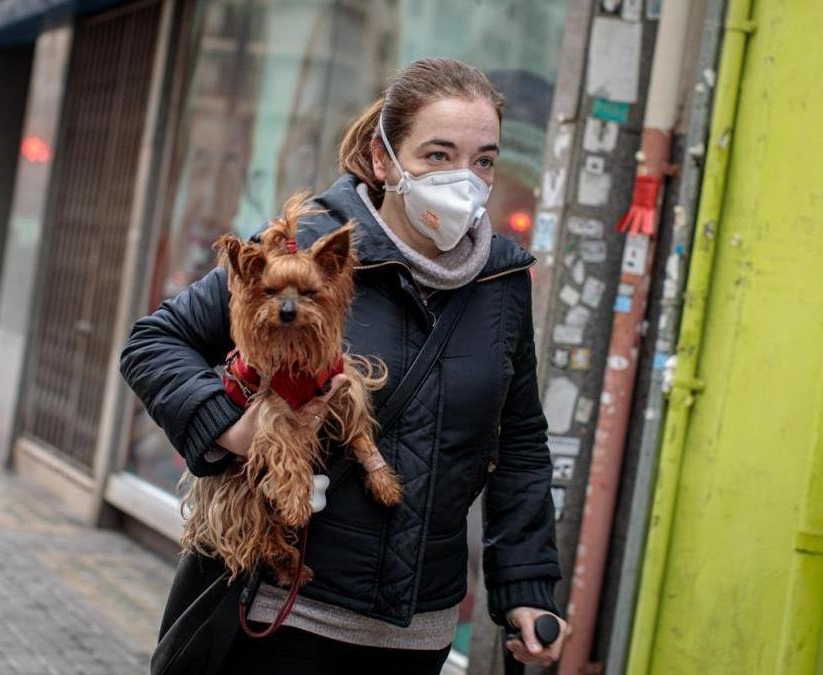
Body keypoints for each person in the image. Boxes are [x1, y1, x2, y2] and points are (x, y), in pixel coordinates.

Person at [120, 57, 565, 674]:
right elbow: (153, 342)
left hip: (416, 638)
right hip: (281, 616)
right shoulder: (303, 249)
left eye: (482, 160)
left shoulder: (502, 283)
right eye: (438, 155)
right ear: (384, 161)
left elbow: (518, 440)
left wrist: (526, 587)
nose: (464, 179)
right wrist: (230, 426)